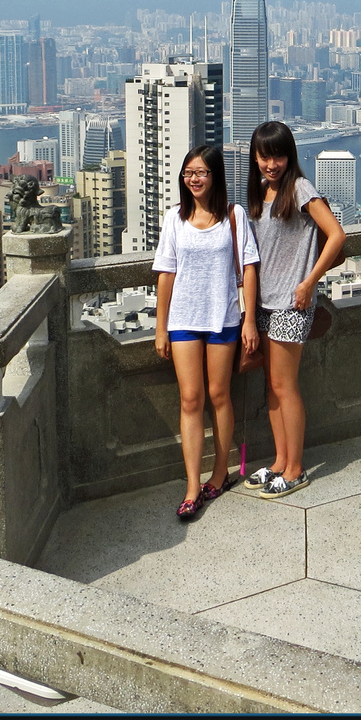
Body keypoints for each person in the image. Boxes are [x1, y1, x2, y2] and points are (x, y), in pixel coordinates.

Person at [153, 145, 260, 521]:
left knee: (219, 394)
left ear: (215, 176)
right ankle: (191, 487)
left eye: (201, 172)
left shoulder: (234, 216)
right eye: (188, 173)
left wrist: (248, 320)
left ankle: (219, 473)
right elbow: (165, 274)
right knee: (190, 399)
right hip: (183, 320)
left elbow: (248, 268)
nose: (194, 179)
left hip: (223, 317)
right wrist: (160, 326)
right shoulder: (174, 219)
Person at [243, 121, 346, 500]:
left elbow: (336, 235)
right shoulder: (259, 194)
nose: (272, 163)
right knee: (272, 386)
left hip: (292, 302)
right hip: (264, 302)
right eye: (264, 156)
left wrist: (309, 282)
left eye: (278, 155)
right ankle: (279, 461)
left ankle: (296, 468)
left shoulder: (300, 188)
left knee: (285, 386)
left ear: (290, 156)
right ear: (255, 156)